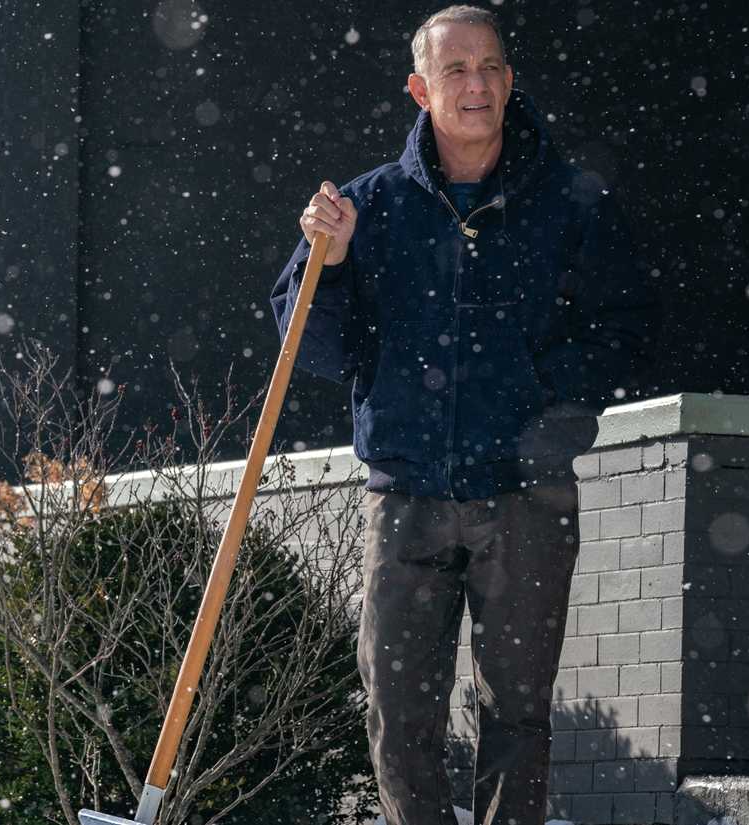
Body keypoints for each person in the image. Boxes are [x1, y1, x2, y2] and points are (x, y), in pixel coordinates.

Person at [269, 6, 657, 825]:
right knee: (398, 713)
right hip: (404, 494)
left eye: (489, 68)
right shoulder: (365, 208)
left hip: (524, 495)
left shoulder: (569, 201)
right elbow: (314, 345)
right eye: (454, 70)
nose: (474, 85)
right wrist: (326, 264)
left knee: (516, 714)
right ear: (420, 88)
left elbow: (624, 325)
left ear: (510, 82)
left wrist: (547, 414)